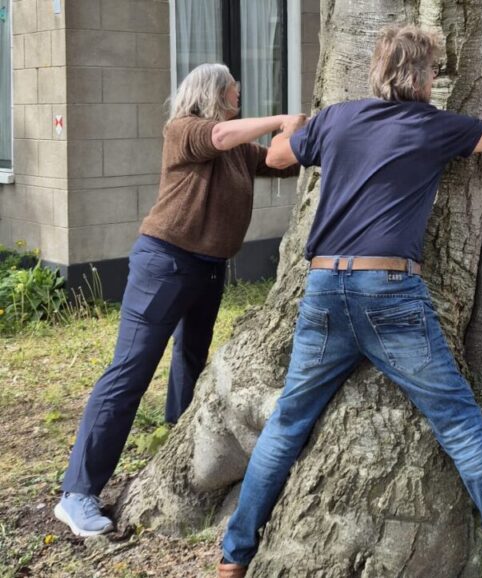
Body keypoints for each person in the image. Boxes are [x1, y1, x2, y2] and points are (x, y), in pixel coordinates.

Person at [216, 24, 482, 578]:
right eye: (433, 70)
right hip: (390, 293)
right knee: (459, 424)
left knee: (287, 423)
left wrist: (304, 125)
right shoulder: (433, 126)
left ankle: (234, 558)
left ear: (377, 71)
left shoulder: (337, 118)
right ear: (423, 76)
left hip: (326, 287)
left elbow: (279, 156)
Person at [55, 63, 305, 537]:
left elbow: (278, 161)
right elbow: (220, 136)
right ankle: (77, 494)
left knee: (191, 362)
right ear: (213, 94)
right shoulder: (184, 131)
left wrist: (313, 134)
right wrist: (279, 120)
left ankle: (179, 441)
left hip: (207, 269)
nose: (239, 95)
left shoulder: (236, 152)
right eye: (234, 90)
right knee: (130, 370)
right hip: (164, 263)